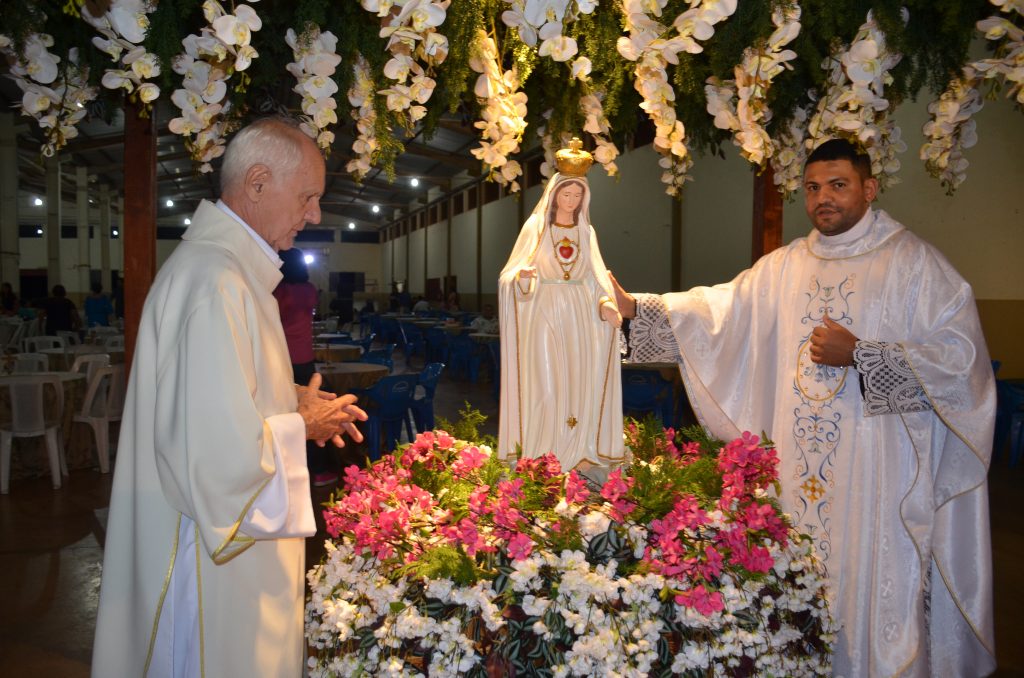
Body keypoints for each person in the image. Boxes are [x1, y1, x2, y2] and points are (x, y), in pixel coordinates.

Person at [610, 138, 995, 676]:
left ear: (869, 188)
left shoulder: (914, 264)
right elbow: (721, 314)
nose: (823, 199)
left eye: (838, 185)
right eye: (813, 188)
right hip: (795, 473)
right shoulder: (786, 265)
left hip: (874, 478)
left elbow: (962, 365)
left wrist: (861, 354)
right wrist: (639, 310)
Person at [92, 117, 368, 678]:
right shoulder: (216, 282)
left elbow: (212, 397)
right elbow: (214, 463)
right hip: (206, 566)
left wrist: (286, 396)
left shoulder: (229, 275)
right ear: (258, 182)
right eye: (308, 197)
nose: (314, 215)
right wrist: (301, 427)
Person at [498, 138, 624, 472]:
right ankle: (542, 450)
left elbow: (595, 277)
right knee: (546, 381)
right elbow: (508, 275)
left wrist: (605, 304)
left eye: (577, 194)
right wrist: (522, 278)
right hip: (543, 312)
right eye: (565, 194)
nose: (571, 201)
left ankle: (578, 449)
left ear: (585, 197)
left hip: (580, 318)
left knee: (577, 381)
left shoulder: (587, 232)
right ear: (554, 194)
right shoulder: (536, 228)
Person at [274, 247, 338, 487]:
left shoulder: (278, 292)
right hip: (306, 359)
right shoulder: (309, 290)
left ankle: (288, 470)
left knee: (284, 414)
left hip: (281, 360)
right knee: (312, 412)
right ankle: (320, 469)